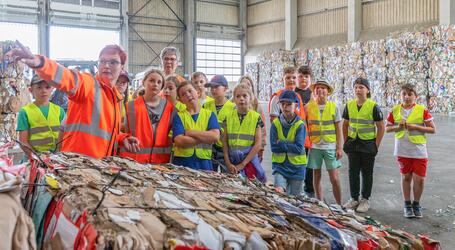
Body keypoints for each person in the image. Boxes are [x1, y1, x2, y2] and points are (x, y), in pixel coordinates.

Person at [6, 42, 139, 159]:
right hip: (78, 165)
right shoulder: (89, 85)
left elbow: (104, 133)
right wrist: (40, 63)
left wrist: (122, 138)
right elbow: (68, 77)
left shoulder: (116, 98)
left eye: (113, 62)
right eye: (102, 61)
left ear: (122, 67)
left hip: (99, 167)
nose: (106, 66)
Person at [386, 84, 435, 218]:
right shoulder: (395, 110)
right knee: (406, 177)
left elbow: (432, 129)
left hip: (419, 150)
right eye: (404, 94)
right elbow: (387, 128)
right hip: (402, 150)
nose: (407, 97)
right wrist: (398, 127)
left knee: (419, 179)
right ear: (400, 96)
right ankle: (407, 204)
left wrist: (415, 127)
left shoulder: (422, 110)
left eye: (410, 94)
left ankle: (416, 204)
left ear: (415, 96)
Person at [343, 77, 385, 213]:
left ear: (368, 90)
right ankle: (354, 198)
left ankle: (365, 199)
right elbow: (345, 124)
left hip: (367, 144)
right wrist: (345, 141)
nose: (358, 90)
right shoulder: (349, 105)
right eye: (356, 87)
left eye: (361, 87)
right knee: (352, 172)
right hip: (353, 144)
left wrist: (376, 145)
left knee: (367, 173)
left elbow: (381, 127)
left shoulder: (373, 106)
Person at [119, 69, 175, 164]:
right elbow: (121, 131)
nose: (155, 84)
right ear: (143, 82)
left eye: (159, 82)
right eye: (152, 80)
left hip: (160, 163)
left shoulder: (170, 108)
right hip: (133, 161)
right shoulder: (130, 106)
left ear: (162, 86)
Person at [305, 80, 343, 205]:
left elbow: (338, 128)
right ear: (314, 91)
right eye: (318, 88)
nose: (320, 90)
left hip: (330, 146)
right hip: (315, 146)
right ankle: (320, 201)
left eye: (323, 88)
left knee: (334, 178)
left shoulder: (333, 107)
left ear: (328, 92)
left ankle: (339, 204)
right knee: (316, 175)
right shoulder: (308, 107)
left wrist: (339, 147)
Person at [222, 83, 266, 182]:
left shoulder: (255, 117)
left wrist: (243, 164)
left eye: (245, 96)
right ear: (234, 99)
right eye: (238, 96)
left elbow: (258, 144)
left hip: (249, 160)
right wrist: (228, 162)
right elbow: (224, 142)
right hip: (232, 160)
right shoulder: (228, 117)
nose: (241, 98)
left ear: (250, 98)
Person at [172, 82, 220, 170]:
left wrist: (191, 132)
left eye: (190, 91)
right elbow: (180, 141)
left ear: (198, 93)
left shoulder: (209, 115)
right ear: (181, 100)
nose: (188, 95)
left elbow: (215, 136)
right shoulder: (179, 116)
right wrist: (205, 139)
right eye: (183, 94)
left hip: (204, 164)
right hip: (182, 163)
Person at [16, 74, 66, 157]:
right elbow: (23, 141)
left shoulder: (59, 111)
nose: (44, 91)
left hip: (56, 157)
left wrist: (58, 155)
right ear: (31, 90)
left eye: (47, 87)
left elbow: (64, 137)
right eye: (39, 87)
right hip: (34, 158)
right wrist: (36, 158)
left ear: (52, 89)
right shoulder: (25, 112)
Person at [271, 90, 307, 196]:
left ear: (296, 105)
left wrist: (281, 143)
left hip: (297, 167)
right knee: (278, 194)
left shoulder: (300, 125)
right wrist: (290, 145)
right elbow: (274, 147)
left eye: (289, 104)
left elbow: (299, 148)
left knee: (294, 199)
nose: (285, 107)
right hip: (280, 166)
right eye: (282, 104)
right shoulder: (275, 124)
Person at [202, 75, 235, 172]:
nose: (213, 90)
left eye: (216, 87)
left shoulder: (233, 108)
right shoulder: (206, 105)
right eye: (211, 87)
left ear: (225, 88)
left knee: (227, 176)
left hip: (226, 149)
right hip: (209, 148)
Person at [295, 65, 315, 197]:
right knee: (298, 161)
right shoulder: (293, 93)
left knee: (311, 162)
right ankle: (296, 186)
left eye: (306, 77)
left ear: (310, 79)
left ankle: (309, 186)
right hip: (297, 135)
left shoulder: (313, 94)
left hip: (312, 135)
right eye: (301, 76)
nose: (303, 79)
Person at [238, 75, 267, 162]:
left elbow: (263, 128)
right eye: (243, 84)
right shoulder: (233, 105)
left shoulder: (257, 105)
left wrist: (261, 147)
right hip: (236, 150)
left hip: (253, 149)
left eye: (248, 84)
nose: (246, 86)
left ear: (252, 87)